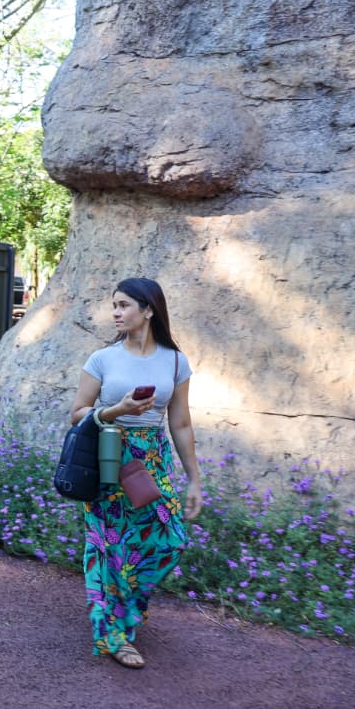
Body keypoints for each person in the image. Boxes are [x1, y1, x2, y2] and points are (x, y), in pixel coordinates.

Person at [67, 277, 202, 669]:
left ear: (148, 310)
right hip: (110, 456)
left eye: (124, 305)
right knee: (109, 547)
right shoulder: (102, 359)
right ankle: (113, 633)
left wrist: (194, 478)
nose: (116, 312)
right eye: (115, 305)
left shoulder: (175, 361)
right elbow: (77, 413)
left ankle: (124, 606)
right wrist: (116, 410)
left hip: (153, 461)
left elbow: (181, 424)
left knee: (169, 540)